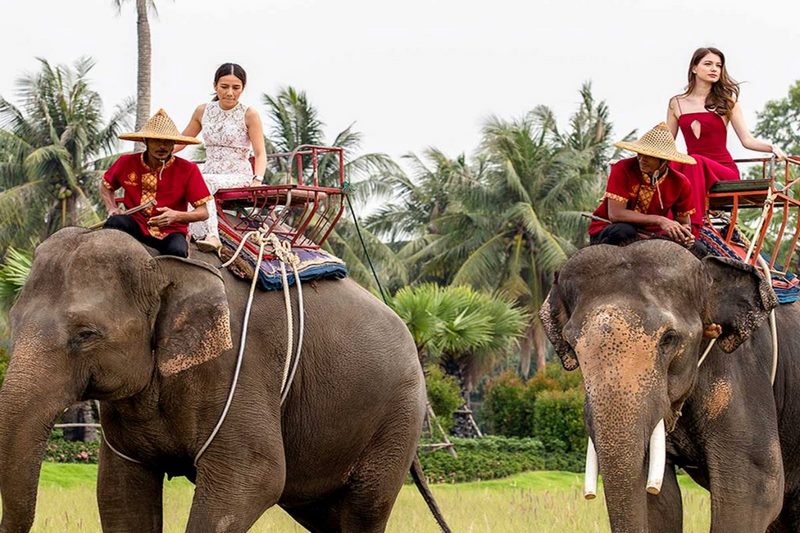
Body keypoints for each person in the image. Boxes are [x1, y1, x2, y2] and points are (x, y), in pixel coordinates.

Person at [666, 46, 787, 234]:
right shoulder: (676, 102)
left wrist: (771, 147)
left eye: (718, 65)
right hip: (693, 168)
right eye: (708, 64)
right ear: (694, 68)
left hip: (721, 169)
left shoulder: (727, 101)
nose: (714, 69)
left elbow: (747, 140)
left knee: (693, 162)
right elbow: (667, 144)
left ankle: (693, 226)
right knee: (670, 166)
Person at [177, 62, 267, 253]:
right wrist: (156, 148)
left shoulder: (249, 114)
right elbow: (183, 141)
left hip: (237, 174)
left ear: (243, 88)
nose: (229, 93)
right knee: (182, 181)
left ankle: (212, 236)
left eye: (236, 88)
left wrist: (257, 180)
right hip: (209, 170)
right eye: (224, 87)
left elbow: (260, 153)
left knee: (203, 181)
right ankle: (178, 229)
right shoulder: (203, 111)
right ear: (215, 86)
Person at [100, 109, 212, 258]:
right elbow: (106, 185)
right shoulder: (126, 162)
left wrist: (176, 216)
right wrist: (112, 208)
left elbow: (203, 212)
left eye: (167, 141)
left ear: (174, 144)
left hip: (170, 231)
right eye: (156, 140)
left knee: (178, 251)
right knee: (115, 223)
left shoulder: (188, 169)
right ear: (146, 141)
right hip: (136, 224)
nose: (162, 146)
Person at [588, 123, 696, 247]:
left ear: (664, 161)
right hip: (610, 227)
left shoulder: (680, 182)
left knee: (698, 248)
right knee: (624, 232)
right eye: (640, 153)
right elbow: (616, 214)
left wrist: (684, 233)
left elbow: (683, 222)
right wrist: (660, 220)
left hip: (654, 235)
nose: (641, 159)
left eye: (649, 156)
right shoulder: (622, 168)